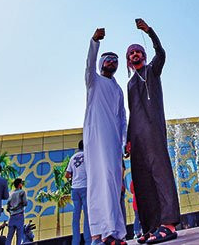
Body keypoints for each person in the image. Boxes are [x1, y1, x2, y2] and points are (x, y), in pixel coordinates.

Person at [124, 19, 180, 244]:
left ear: (144, 55)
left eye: (138, 51)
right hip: (137, 137)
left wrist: (149, 31)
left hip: (154, 132)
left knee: (161, 174)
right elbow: (131, 112)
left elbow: (161, 53)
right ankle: (152, 226)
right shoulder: (129, 84)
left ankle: (168, 224)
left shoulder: (152, 71)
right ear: (128, 60)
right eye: (131, 53)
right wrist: (128, 139)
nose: (135, 54)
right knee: (142, 180)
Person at [83, 28, 127, 245]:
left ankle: (113, 232)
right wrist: (94, 41)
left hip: (113, 142)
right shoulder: (94, 81)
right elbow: (88, 64)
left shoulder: (118, 90)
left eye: (115, 60)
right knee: (98, 183)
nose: (111, 62)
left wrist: (124, 141)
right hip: (96, 139)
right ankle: (101, 234)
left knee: (113, 183)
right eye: (108, 59)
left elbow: (122, 118)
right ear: (101, 63)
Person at [65, 141, 89, 245]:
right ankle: (88, 241)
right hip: (85, 187)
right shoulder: (88, 155)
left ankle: (75, 242)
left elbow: (67, 175)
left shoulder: (72, 158)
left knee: (76, 216)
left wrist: (74, 176)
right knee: (87, 216)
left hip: (75, 189)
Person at [4, 179, 26, 245]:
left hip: (12, 216)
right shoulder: (22, 192)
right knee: (19, 236)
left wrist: (12, 211)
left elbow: (7, 208)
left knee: (9, 236)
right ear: (19, 184)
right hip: (19, 215)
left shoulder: (11, 194)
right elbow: (25, 203)